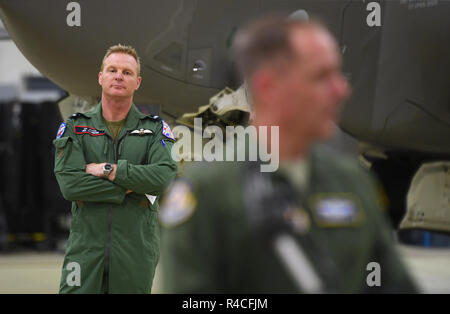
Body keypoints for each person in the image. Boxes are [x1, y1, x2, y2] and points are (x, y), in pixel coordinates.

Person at [159, 17, 418, 293]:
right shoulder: (208, 190)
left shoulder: (352, 181)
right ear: (269, 87)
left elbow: (394, 283)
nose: (342, 90)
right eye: (321, 76)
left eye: (338, 74)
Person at [53, 44, 177, 293]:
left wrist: (110, 170)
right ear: (101, 77)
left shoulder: (155, 130)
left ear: (138, 82)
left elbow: (164, 179)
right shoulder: (75, 128)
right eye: (112, 70)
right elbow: (70, 184)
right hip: (85, 252)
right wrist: (129, 188)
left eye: (127, 72)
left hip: (136, 253)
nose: (119, 76)